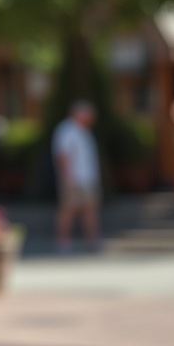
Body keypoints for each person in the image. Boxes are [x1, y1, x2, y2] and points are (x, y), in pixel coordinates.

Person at [52, 99, 102, 252]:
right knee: (68, 210)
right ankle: (63, 241)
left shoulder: (84, 131)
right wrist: (67, 178)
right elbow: (62, 156)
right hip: (74, 179)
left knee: (90, 210)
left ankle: (93, 240)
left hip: (88, 179)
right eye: (88, 113)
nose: (92, 117)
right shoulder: (67, 130)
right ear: (78, 113)